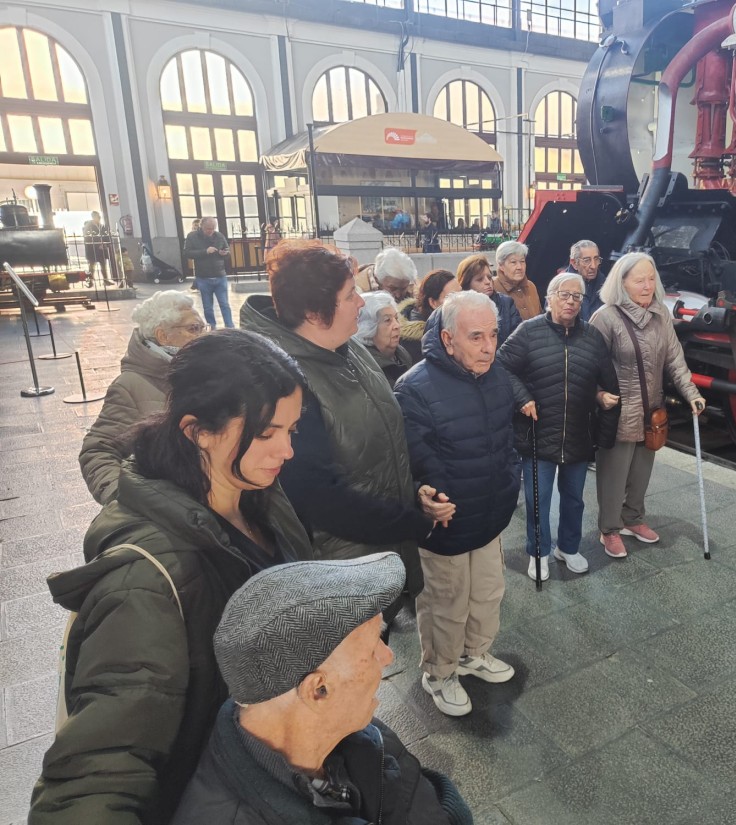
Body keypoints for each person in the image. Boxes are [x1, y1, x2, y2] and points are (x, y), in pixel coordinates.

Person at [30, 330, 312, 824]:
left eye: (292, 430)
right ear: (196, 430)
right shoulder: (146, 581)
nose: (287, 450)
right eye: (267, 433)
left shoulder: (257, 493)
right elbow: (97, 772)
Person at [240, 242, 453, 628]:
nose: (361, 301)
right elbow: (319, 497)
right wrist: (411, 520)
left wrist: (418, 486)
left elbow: (388, 426)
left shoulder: (348, 348)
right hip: (341, 571)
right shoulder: (284, 382)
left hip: (380, 546)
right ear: (313, 312)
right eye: (350, 294)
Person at [170, 554, 472, 825]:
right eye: (373, 647)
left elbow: (416, 794)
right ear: (318, 690)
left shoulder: (352, 729)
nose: (388, 657)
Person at [394, 291, 520, 717]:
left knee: (487, 593)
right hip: (445, 525)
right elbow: (406, 464)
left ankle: (473, 654)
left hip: (490, 513)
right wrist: (422, 498)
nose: (489, 346)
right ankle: (440, 672)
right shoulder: (414, 388)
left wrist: (510, 481)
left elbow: (506, 441)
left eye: (493, 334)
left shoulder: (496, 375)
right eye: (476, 336)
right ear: (448, 340)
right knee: (445, 604)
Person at [497, 272, 620, 580]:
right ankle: (538, 552)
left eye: (577, 296)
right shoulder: (529, 331)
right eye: (564, 295)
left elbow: (607, 381)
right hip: (537, 433)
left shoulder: (592, 337)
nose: (570, 302)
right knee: (538, 500)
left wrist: (602, 399)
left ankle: (568, 547)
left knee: (574, 499)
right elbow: (502, 367)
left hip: (578, 433)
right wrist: (522, 398)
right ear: (549, 299)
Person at [590, 252, 706, 558]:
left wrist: (691, 393)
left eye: (651, 279)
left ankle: (633, 518)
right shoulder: (606, 317)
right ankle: (609, 529)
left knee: (642, 470)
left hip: (651, 410)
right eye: (639, 280)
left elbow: (675, 359)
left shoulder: (660, 314)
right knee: (614, 474)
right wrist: (599, 395)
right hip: (617, 412)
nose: (647, 286)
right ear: (622, 282)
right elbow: (588, 366)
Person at [79, 290, 206, 505]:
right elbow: (98, 451)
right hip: (173, 508)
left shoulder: (204, 369)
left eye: (203, 328)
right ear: (163, 336)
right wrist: (127, 500)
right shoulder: (129, 386)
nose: (202, 336)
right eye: (193, 329)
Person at [457, 252, 521, 346]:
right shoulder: (457, 309)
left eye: (489, 277)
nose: (488, 282)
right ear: (466, 284)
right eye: (480, 279)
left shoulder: (506, 303)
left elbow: (518, 340)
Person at [399, 269, 460, 363]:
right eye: (452, 297)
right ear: (433, 302)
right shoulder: (417, 343)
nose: (461, 300)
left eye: (462, 294)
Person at [183, 217, 235, 329]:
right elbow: (187, 253)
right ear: (201, 226)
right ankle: (211, 326)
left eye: (213, 228)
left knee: (224, 304)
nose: (211, 231)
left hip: (220, 275)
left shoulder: (219, 236)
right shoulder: (192, 236)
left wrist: (224, 253)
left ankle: (230, 326)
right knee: (207, 306)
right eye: (208, 228)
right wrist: (205, 251)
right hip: (203, 277)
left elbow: (228, 252)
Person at [358, 290, 414, 386]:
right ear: (368, 328)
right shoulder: (366, 367)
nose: (397, 325)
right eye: (387, 320)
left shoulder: (402, 354)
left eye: (396, 318)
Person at [492, 240, 541, 321]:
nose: (519, 267)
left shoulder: (531, 286)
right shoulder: (492, 288)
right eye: (513, 262)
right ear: (501, 266)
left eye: (522, 261)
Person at [566, 239, 606, 322]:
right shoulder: (560, 287)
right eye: (587, 260)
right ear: (574, 263)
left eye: (596, 259)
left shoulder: (606, 286)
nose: (593, 266)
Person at [82, 211, 113, 285]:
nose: (99, 218)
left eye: (99, 217)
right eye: (97, 217)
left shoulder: (101, 226)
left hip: (102, 250)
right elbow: (88, 238)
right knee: (92, 266)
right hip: (92, 250)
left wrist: (106, 244)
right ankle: (90, 281)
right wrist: (98, 244)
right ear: (93, 217)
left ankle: (105, 280)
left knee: (103, 265)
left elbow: (105, 235)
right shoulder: (88, 226)